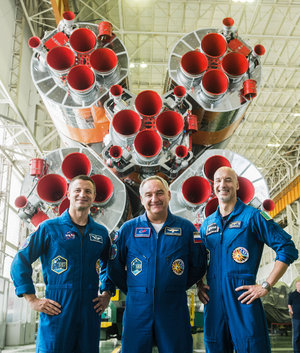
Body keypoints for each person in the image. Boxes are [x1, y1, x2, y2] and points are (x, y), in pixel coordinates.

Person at [197, 166, 298, 353]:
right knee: (215, 347)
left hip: (243, 298)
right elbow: (199, 259)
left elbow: (287, 248)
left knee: (252, 348)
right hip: (213, 302)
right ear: (213, 187)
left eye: (228, 180)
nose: (222, 184)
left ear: (237, 185)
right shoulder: (207, 224)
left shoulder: (254, 216)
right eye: (218, 180)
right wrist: (199, 285)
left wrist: (266, 285)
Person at [10, 174, 115, 353]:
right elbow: (20, 260)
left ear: (94, 196)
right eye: (78, 190)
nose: (82, 194)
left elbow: (109, 264)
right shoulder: (49, 228)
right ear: (68, 194)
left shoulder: (101, 233)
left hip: (90, 309)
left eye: (88, 191)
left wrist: (107, 293)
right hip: (58, 308)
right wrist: (32, 299)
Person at [108, 175, 207, 353]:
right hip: (137, 309)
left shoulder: (186, 229)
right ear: (142, 199)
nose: (155, 199)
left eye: (160, 193)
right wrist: (135, 289)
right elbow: (114, 267)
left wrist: (175, 286)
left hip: (173, 307)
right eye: (149, 195)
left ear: (169, 195)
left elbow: (199, 264)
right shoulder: (128, 230)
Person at [288, 280, 300, 352]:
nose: (299, 286)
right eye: (298, 285)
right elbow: (289, 304)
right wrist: (291, 310)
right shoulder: (292, 294)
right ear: (296, 286)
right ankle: (296, 351)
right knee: (296, 335)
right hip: (296, 318)